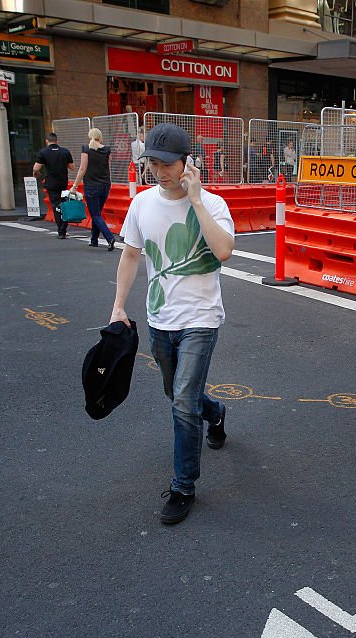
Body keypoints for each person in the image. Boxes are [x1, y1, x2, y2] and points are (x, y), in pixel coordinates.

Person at [108, 123, 234, 524]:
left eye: (167, 163)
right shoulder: (142, 203)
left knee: (182, 400)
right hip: (160, 318)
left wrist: (196, 200)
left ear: (187, 163)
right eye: (153, 163)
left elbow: (224, 251)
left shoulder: (212, 204)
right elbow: (130, 256)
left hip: (201, 318)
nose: (160, 171)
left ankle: (184, 486)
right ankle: (214, 413)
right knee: (177, 393)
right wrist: (118, 305)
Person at [70, 128, 116, 251]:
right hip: (105, 184)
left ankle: (109, 237)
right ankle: (94, 239)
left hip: (91, 185)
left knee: (95, 214)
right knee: (98, 213)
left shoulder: (86, 149)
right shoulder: (107, 150)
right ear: (100, 136)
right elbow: (108, 166)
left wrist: (74, 186)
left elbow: (82, 169)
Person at [33, 132, 75, 239]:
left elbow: (36, 168)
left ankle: (61, 231)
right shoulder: (65, 152)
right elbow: (72, 167)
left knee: (56, 206)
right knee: (64, 205)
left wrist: (36, 174)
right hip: (63, 182)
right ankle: (64, 228)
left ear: (47, 141)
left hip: (51, 183)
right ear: (57, 140)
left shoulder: (43, 152)